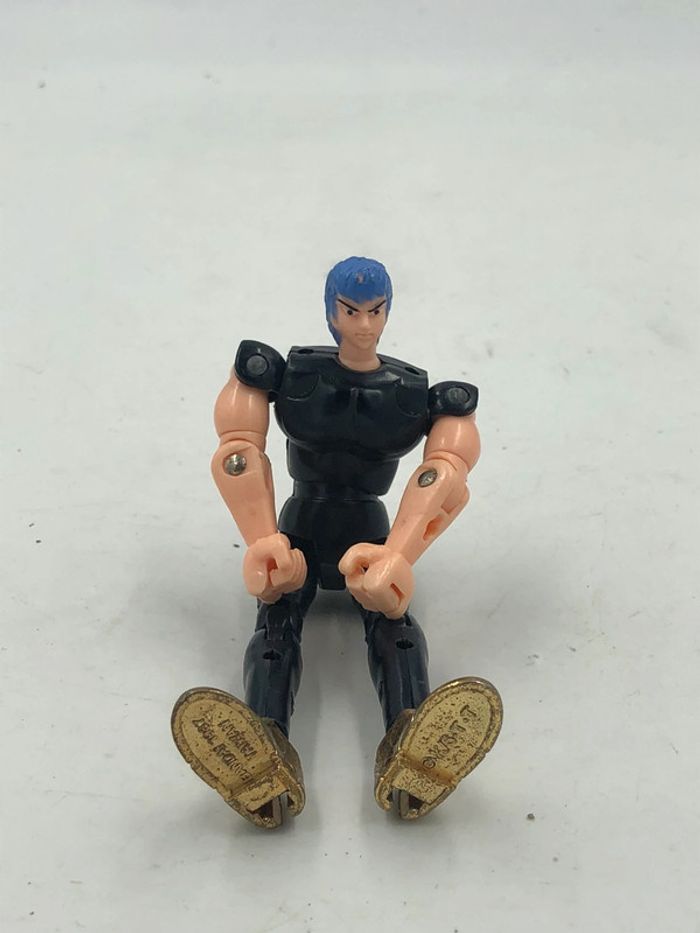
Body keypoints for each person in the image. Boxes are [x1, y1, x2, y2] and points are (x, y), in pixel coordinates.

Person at [171, 257, 502, 828]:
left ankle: (411, 739)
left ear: (388, 313)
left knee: (395, 628)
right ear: (332, 313)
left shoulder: (412, 395)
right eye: (352, 312)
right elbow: (238, 444)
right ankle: (263, 746)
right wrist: (261, 540)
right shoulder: (292, 377)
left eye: (376, 312)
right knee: (275, 630)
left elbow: (449, 469)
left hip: (372, 538)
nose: (365, 325)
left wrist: (399, 555)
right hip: (298, 528)